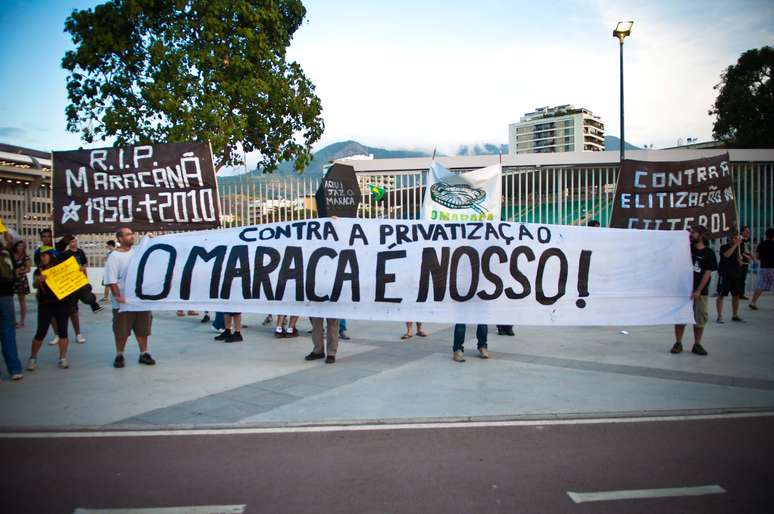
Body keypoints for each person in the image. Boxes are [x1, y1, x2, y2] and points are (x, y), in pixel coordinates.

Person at [104, 227, 155, 368]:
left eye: (132, 234)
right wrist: (117, 296)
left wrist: (149, 238)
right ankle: (119, 354)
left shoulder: (136, 253)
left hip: (139, 300)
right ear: (120, 239)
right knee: (121, 331)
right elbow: (111, 279)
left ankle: (144, 353)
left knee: (143, 329)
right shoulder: (114, 257)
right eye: (127, 235)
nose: (131, 236)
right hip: (123, 302)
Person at [671, 225, 716, 356]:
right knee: (680, 318)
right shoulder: (686, 249)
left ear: (701, 235)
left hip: (700, 292)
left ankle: (697, 344)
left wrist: (698, 290)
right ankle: (678, 342)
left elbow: (707, 273)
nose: (691, 235)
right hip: (683, 291)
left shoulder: (709, 253)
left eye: (694, 232)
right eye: (690, 232)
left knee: (699, 318)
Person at [26, 249, 71, 371]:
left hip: (62, 303)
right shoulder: (38, 270)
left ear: (51, 256)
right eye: (41, 256)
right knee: (41, 332)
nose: (42, 258)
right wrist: (38, 280)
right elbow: (35, 285)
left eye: (45, 255)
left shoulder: (60, 269)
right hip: (45, 304)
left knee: (63, 331)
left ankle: (62, 357)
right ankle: (33, 358)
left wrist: (80, 271)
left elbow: (71, 278)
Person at [59, 235, 103, 344]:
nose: (74, 243)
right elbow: (62, 269)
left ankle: (94, 307)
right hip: (70, 283)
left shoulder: (80, 252)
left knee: (88, 296)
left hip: (80, 281)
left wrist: (85, 277)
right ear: (69, 243)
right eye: (72, 241)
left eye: (75, 241)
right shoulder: (65, 254)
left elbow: (84, 265)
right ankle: (72, 334)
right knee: (72, 310)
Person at [0, 235, 23, 381]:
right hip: (6, 296)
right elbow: (15, 273)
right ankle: (15, 369)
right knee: (8, 333)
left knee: (7, 331)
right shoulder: (6, 253)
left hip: (5, 296)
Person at [715, 230, 744, 323]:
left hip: (736, 274)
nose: (734, 239)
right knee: (721, 294)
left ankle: (735, 315)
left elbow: (741, 262)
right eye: (733, 238)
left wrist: (741, 261)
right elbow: (726, 255)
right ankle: (719, 316)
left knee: (736, 295)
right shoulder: (724, 247)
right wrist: (736, 245)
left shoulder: (740, 248)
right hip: (725, 274)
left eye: (736, 238)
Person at [750, 227, 774, 310]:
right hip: (773, 267)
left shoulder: (761, 244)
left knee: (761, 285)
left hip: (764, 267)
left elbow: (757, 256)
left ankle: (753, 302)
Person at [11, 240, 31, 328]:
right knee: (10, 301)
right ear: (16, 246)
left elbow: (28, 269)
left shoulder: (26, 257)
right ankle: (13, 321)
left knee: (22, 301)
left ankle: (22, 321)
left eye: (22, 246)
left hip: (21, 280)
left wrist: (21, 271)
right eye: (19, 246)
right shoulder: (11, 256)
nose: (21, 247)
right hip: (11, 279)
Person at [738, 226, 754, 300]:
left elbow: (746, 250)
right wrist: (748, 256)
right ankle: (739, 294)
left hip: (745, 262)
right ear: (741, 232)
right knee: (740, 278)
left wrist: (750, 255)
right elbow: (740, 251)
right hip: (741, 262)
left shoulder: (747, 240)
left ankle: (741, 294)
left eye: (748, 231)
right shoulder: (740, 240)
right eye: (746, 231)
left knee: (743, 279)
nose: (748, 232)